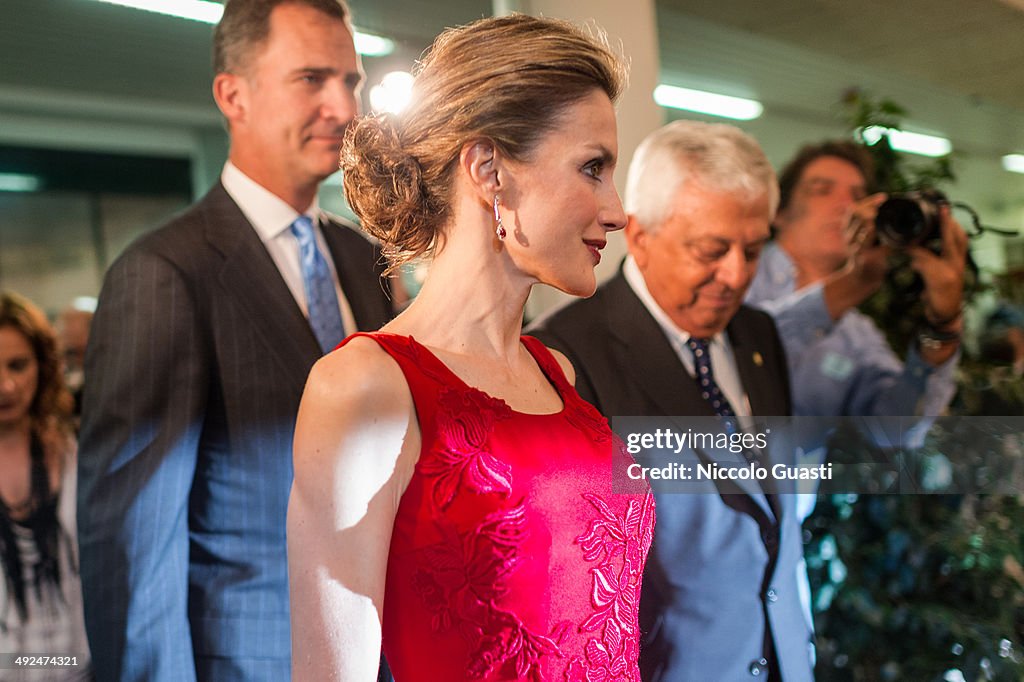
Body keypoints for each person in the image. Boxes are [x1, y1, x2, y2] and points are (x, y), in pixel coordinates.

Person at [286, 14, 654, 682]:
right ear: (489, 170)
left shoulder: (556, 372)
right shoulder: (366, 387)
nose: (617, 209)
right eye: (592, 168)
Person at [76, 1, 394, 679]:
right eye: (312, 79)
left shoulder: (367, 264)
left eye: (351, 81)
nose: (342, 107)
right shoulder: (164, 273)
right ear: (233, 95)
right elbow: (136, 553)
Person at [530, 121, 811, 681]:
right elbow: (571, 584)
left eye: (753, 250)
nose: (735, 275)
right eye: (712, 250)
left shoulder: (757, 334)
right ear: (639, 235)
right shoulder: (564, 357)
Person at [745, 140, 967, 418]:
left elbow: (894, 430)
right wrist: (851, 285)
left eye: (857, 196)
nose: (846, 206)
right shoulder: (738, 275)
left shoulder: (857, 333)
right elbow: (737, 351)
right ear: (778, 212)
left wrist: (943, 327)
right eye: (822, 191)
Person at [0, 292, 91, 681]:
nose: (5, 386)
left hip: (80, 664)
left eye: (18, 366)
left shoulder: (76, 454)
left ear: (43, 365)